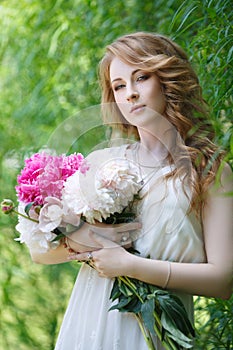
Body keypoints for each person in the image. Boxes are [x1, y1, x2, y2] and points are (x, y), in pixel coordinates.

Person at [29, 32, 233, 350]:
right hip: (88, 322)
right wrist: (81, 239)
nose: (131, 94)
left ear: (167, 81)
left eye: (141, 78)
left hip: (158, 334)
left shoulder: (210, 172)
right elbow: (38, 252)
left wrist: (130, 266)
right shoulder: (100, 162)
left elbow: (223, 281)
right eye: (119, 86)